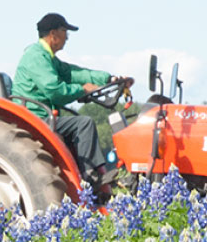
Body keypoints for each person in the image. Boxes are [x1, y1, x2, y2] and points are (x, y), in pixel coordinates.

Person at [11, 13, 131, 186]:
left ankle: (93, 177)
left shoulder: (47, 57)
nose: (67, 37)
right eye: (65, 31)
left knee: (77, 123)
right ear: (54, 34)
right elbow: (54, 90)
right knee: (83, 123)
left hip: (42, 114)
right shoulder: (36, 57)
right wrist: (82, 89)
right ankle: (91, 176)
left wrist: (109, 79)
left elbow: (73, 73)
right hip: (36, 117)